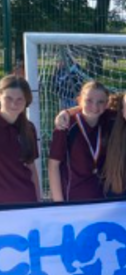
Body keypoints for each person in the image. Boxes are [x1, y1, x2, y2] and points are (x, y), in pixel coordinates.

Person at [48, 81, 111, 202]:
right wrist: (59, 203)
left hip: (103, 199)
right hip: (72, 199)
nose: (95, 107)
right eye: (89, 101)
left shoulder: (110, 120)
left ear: (107, 104)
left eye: (100, 102)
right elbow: (53, 165)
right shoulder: (66, 125)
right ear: (79, 100)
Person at [0, 75, 41, 204]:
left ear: (26, 101)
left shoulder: (29, 128)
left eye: (20, 99)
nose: (14, 104)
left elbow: (31, 166)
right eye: (8, 98)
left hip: (26, 200)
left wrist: (38, 200)